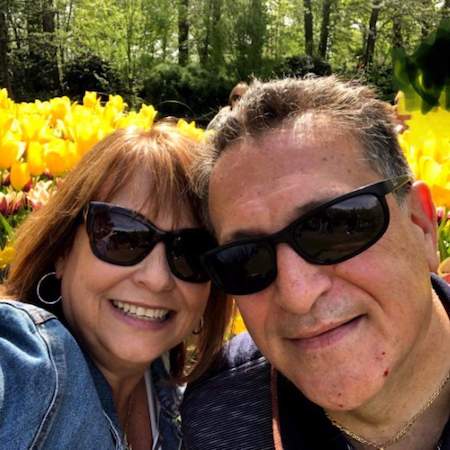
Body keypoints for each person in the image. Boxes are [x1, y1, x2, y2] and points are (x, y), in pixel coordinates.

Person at [181, 77, 450, 450]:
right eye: (245, 257)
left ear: (421, 225)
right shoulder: (218, 415)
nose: (297, 295)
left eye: (334, 226)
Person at [0, 122, 231, 449]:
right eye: (122, 236)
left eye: (190, 251)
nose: (157, 278)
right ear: (62, 250)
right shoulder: (28, 364)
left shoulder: (177, 403)